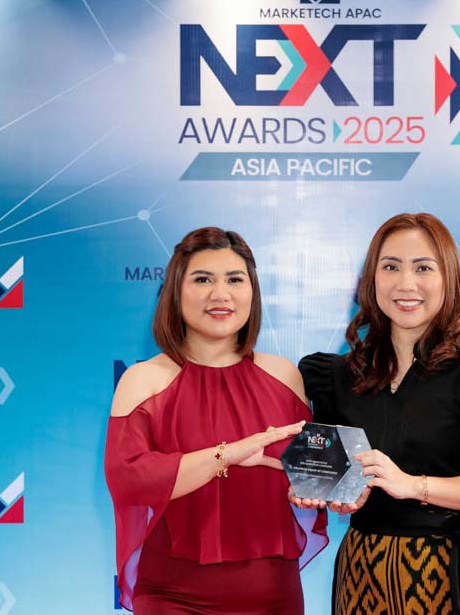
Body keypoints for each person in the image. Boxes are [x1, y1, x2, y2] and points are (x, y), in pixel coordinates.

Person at [297, 213, 460, 615]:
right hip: (363, 575)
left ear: (448, 278)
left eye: (423, 268)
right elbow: (334, 479)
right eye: (390, 267)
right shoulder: (339, 376)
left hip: (453, 575)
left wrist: (413, 486)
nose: (405, 284)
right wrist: (324, 491)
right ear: (371, 280)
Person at [105, 227, 327, 614]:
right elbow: (129, 480)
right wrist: (226, 455)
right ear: (175, 290)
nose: (220, 294)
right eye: (203, 279)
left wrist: (319, 490)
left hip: (274, 594)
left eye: (235, 280)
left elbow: (310, 476)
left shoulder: (285, 375)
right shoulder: (144, 379)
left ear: (252, 292)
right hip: (173, 596)